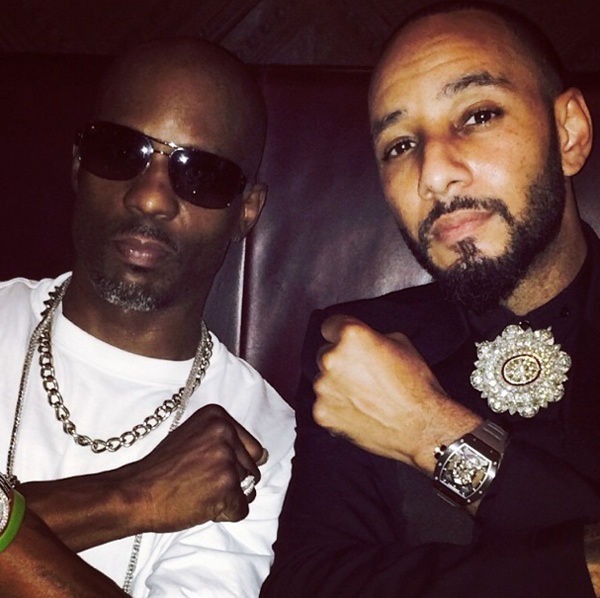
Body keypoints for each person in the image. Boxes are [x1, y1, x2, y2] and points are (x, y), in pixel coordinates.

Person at [261, 2, 600, 596]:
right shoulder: (358, 349)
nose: (433, 173)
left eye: (478, 115)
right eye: (399, 145)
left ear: (568, 133)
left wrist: (431, 433)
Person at [0, 38, 295, 597]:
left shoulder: (263, 434)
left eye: (201, 174)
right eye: (121, 151)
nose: (151, 198)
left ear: (246, 211)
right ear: (79, 164)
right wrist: (133, 497)